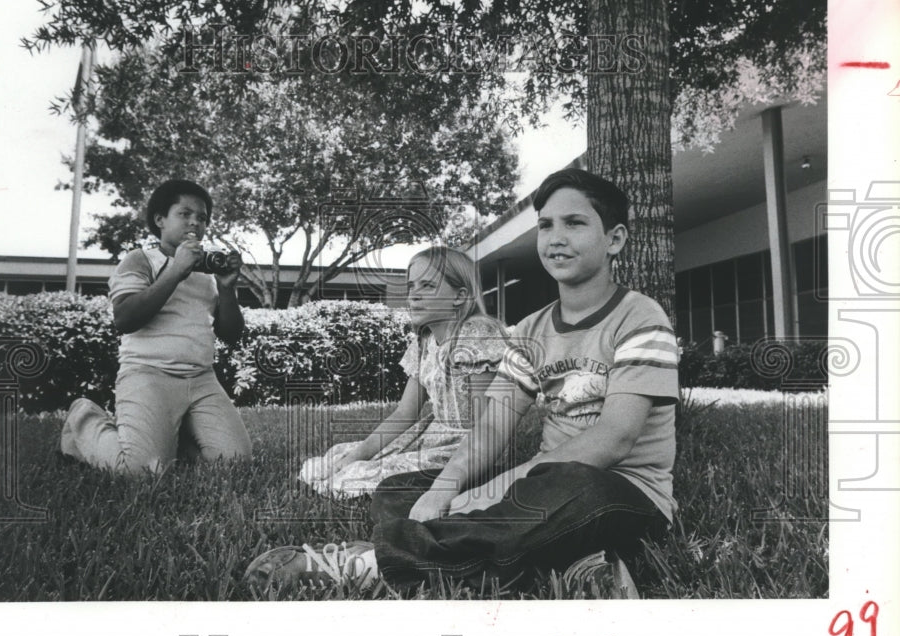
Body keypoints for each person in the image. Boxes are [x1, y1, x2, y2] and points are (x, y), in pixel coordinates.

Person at [245, 168, 679, 592]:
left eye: (575, 223)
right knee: (398, 490)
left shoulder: (640, 318)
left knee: (572, 487)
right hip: (539, 488)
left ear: (615, 239)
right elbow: (492, 426)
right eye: (546, 225)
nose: (555, 237)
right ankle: (570, 565)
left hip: (618, 493)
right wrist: (447, 488)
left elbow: (614, 439)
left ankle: (367, 563)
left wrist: (489, 491)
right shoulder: (530, 330)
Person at [60, 179, 252, 474]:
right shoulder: (140, 260)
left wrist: (227, 289)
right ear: (160, 220)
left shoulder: (208, 272)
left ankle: (171, 436)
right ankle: (83, 420)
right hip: (148, 374)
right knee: (140, 471)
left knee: (235, 463)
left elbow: (231, 335)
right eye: (184, 214)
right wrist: (176, 270)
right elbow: (124, 319)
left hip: (201, 378)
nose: (195, 223)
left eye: (202, 218)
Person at [298, 246, 510, 497]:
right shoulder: (424, 342)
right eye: (411, 286)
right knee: (340, 458)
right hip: (431, 435)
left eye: (428, 286)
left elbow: (487, 424)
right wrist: (357, 456)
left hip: (470, 447)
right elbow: (404, 414)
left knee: (356, 479)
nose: (414, 295)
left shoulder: (476, 335)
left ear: (460, 296)